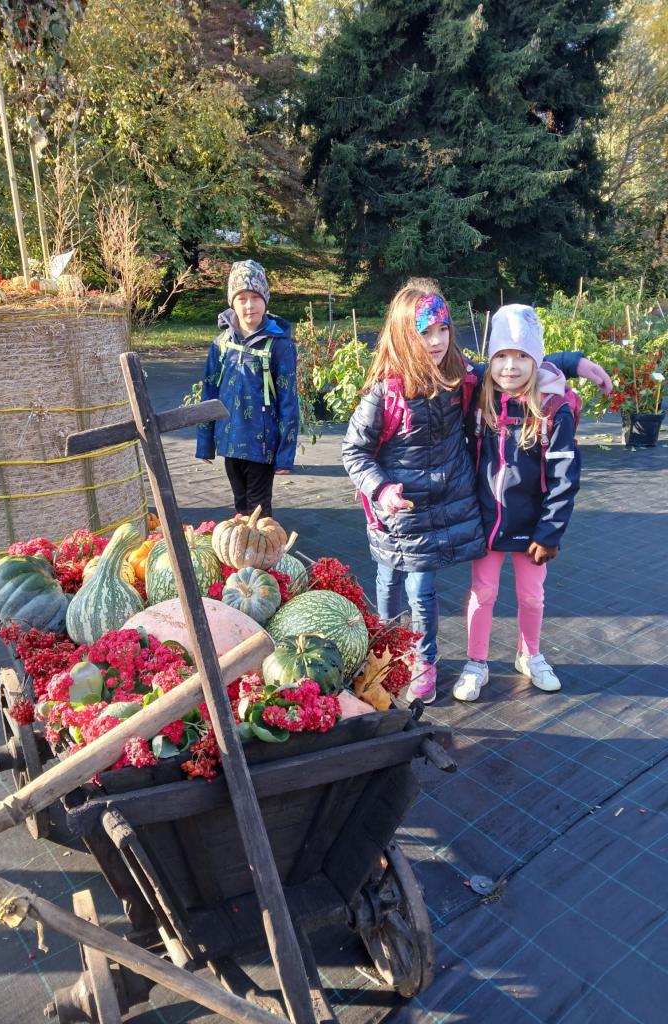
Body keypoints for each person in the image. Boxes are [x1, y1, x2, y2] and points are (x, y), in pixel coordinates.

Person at [342, 281, 610, 706]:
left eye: (443, 329)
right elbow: (354, 451)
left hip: (440, 508)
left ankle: (424, 663)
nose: (436, 341)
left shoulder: (459, 377)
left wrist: (573, 362)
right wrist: (381, 488)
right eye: (424, 332)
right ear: (403, 334)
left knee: (421, 593)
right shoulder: (386, 392)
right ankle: (385, 652)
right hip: (395, 511)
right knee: (388, 582)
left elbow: (511, 362)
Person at [453, 305, 584, 701]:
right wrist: (576, 361)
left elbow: (564, 479)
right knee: (483, 594)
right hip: (487, 523)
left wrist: (550, 533)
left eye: (522, 356)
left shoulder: (553, 411)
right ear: (490, 360)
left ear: (536, 361)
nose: (510, 366)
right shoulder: (480, 402)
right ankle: (476, 662)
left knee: (531, 595)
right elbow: (455, 364)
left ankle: (530, 654)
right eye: (502, 356)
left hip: (533, 528)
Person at [196, 260, 299, 516]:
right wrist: (205, 443)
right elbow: (209, 394)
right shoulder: (221, 344)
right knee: (240, 506)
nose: (249, 305)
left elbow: (288, 402)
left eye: (255, 297)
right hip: (229, 442)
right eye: (241, 299)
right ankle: (243, 543)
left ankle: (262, 544)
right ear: (232, 302)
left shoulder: (279, 345)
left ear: (265, 300)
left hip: (261, 445)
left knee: (258, 511)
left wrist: (285, 455)